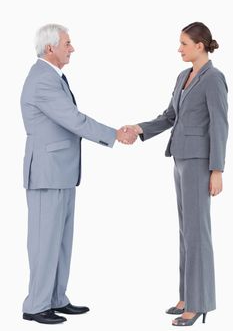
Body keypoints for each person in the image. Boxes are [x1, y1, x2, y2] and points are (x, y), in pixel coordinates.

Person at [20, 23, 137, 324]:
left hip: (62, 172)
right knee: (44, 242)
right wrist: (114, 134)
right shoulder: (42, 79)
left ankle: (56, 298)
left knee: (60, 241)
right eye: (67, 43)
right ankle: (36, 305)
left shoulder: (53, 77)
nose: (72, 49)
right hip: (47, 173)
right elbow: (74, 120)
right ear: (50, 48)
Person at [126, 22, 228, 326]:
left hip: (200, 162)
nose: (179, 49)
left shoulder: (214, 79)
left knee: (198, 234)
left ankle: (199, 303)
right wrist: (140, 128)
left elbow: (219, 126)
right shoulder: (184, 76)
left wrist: (217, 170)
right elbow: (170, 116)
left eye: (184, 43)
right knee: (186, 232)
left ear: (200, 46)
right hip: (180, 159)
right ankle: (187, 295)